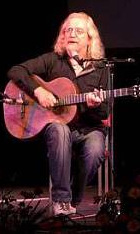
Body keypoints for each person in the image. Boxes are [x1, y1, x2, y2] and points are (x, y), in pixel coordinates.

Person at [7, 12, 108, 217]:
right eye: (67, 30)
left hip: (89, 128)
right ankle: (62, 201)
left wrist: (93, 105)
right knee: (60, 130)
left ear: (89, 38)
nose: (71, 33)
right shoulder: (52, 60)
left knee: (96, 148)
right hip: (59, 126)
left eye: (78, 31)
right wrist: (38, 91)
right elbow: (16, 71)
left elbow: (104, 111)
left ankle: (73, 196)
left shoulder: (101, 69)